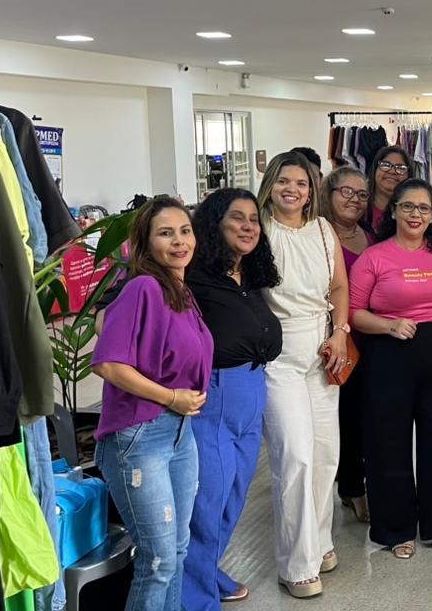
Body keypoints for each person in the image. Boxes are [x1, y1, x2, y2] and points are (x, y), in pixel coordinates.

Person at [91, 197, 213, 611]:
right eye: (166, 233)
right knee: (158, 560)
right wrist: (171, 397)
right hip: (141, 436)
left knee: (176, 551)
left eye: (185, 231)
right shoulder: (143, 287)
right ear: (145, 243)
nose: (179, 241)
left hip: (179, 433)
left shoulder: (180, 291)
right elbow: (108, 364)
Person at [350, 179, 432, 559]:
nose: (415, 214)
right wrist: (388, 325)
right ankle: (396, 530)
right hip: (389, 354)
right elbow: (354, 313)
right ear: (393, 211)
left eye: (424, 208)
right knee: (388, 443)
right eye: (407, 206)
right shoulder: (375, 257)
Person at [181, 188, 282, 608]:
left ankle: (205, 569)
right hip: (214, 395)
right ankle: (194, 597)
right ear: (214, 224)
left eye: (254, 219)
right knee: (209, 500)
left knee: (234, 497)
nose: (248, 226)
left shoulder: (249, 277)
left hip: (252, 391)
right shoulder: (192, 275)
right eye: (237, 218)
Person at [258, 152, 350, 599]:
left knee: (325, 453)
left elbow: (339, 286)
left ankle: (319, 541)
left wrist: (341, 332)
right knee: (294, 457)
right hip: (278, 356)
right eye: (284, 181)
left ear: (312, 190)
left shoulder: (323, 229)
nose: (292, 189)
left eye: (301, 182)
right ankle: (296, 564)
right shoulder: (258, 230)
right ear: (270, 186)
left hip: (323, 349)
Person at [319, 167, 376, 525]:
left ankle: (361, 481)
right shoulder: (319, 235)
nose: (355, 199)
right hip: (334, 337)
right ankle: (352, 488)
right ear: (329, 193)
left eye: (362, 194)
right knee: (345, 416)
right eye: (347, 192)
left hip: (371, 337)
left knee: (367, 413)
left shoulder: (370, 236)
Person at [366, 145, 412, 228]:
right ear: (375, 169)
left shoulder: (414, 215)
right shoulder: (358, 206)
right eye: (386, 165)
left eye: (401, 168)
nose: (392, 171)